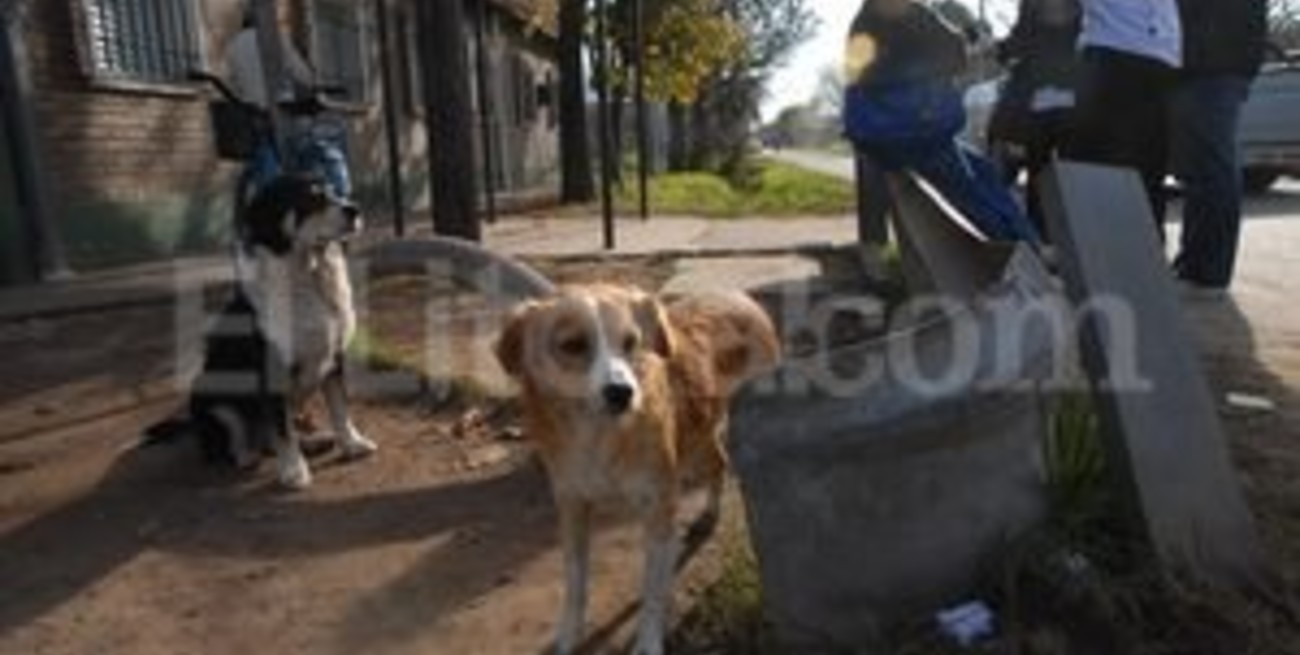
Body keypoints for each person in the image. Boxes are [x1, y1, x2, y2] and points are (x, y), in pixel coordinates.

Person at [844, 0, 1040, 243]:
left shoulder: (862, 19)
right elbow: (955, 56)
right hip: (919, 128)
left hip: (876, 134)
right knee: (977, 187)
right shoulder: (913, 12)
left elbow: (856, 74)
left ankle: (873, 254)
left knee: (979, 171)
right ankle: (1025, 248)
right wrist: (965, 39)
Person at [1168, 0, 1269, 294]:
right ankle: (1192, 265)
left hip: (1216, 66)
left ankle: (1210, 274)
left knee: (1213, 168)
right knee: (1199, 171)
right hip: (1202, 65)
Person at [1065, 0, 1181, 232]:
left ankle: (1102, 257)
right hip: (1159, 56)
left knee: (1095, 174)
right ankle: (1144, 258)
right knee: (1146, 175)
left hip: (1111, 51)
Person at [994, 0, 1081, 233]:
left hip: (1052, 99)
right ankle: (1047, 235)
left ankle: (1043, 235)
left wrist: (1002, 50)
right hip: (1059, 99)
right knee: (1045, 173)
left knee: (1041, 173)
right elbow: (1017, 43)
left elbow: (1017, 43)